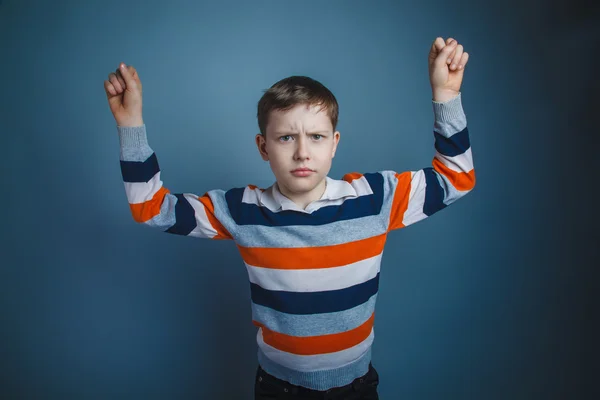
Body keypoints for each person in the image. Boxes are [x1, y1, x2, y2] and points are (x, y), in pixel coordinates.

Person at [103, 36, 473, 399]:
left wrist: (447, 95)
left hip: (356, 387)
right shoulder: (242, 211)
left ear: (334, 143)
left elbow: (456, 179)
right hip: (278, 388)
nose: (302, 153)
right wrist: (130, 124)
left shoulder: (376, 199)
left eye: (315, 136)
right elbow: (150, 207)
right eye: (285, 138)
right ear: (263, 147)